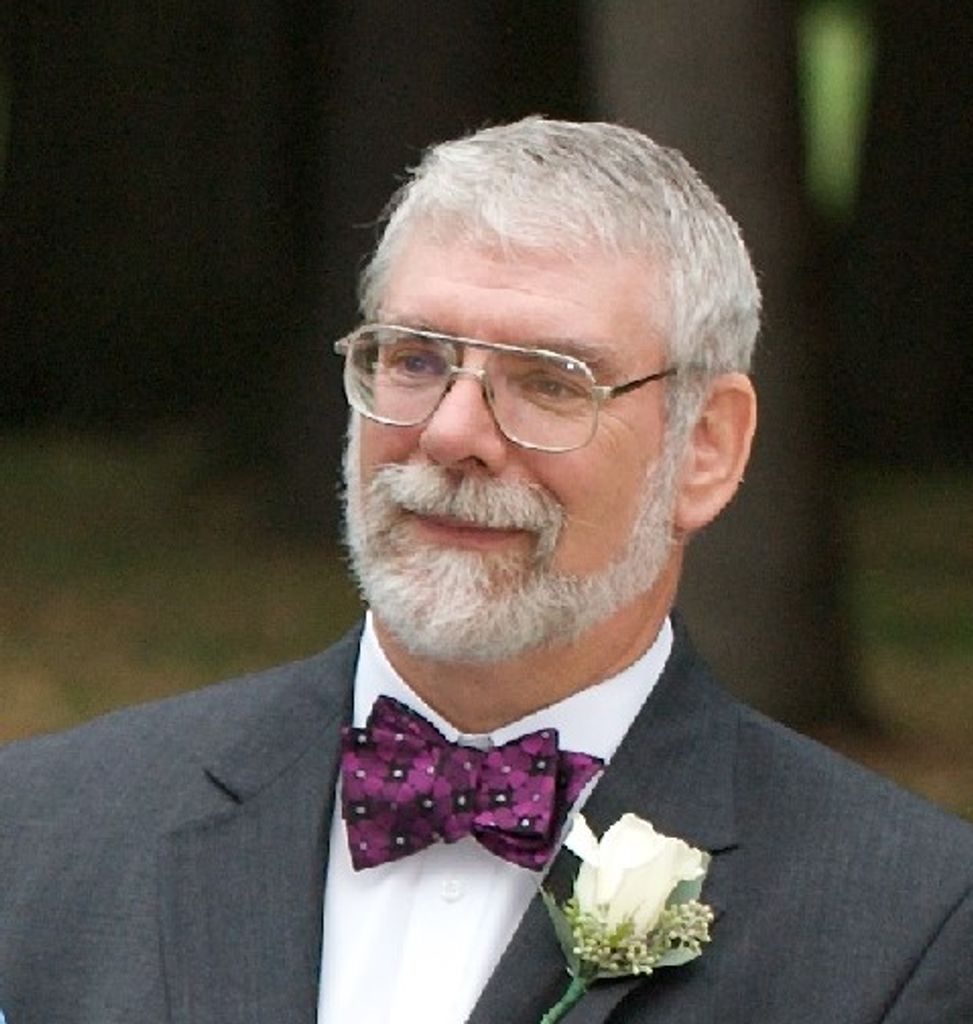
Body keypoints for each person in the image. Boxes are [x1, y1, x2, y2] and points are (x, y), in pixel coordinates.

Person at [0, 117, 970, 1024]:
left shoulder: (907, 928)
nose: (451, 432)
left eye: (549, 381)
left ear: (705, 448)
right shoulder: (41, 832)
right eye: (415, 360)